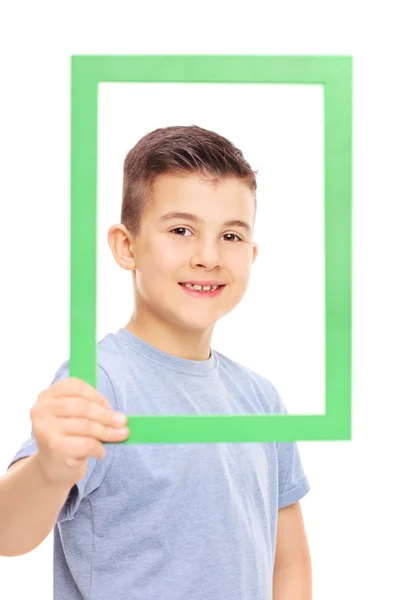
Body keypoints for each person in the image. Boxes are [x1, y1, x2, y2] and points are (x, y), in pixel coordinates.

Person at [0, 125, 312, 599]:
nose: (208, 256)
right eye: (181, 230)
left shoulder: (260, 398)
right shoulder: (100, 381)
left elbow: (288, 563)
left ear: (252, 253)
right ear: (127, 246)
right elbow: (9, 533)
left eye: (230, 235)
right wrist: (48, 468)